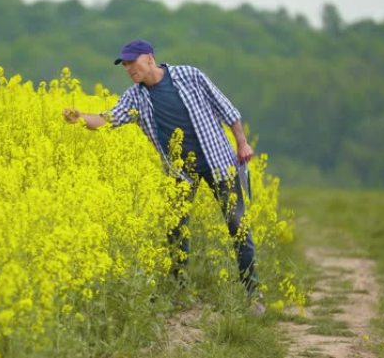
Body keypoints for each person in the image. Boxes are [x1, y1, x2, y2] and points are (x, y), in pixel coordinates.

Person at [62, 39, 263, 313]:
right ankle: (179, 291)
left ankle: (253, 295)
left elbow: (226, 108)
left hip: (218, 161)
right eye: (125, 65)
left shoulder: (189, 75)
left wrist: (242, 143)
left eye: (132, 62)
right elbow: (107, 118)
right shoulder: (135, 97)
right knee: (175, 229)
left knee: (237, 225)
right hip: (180, 172)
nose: (128, 68)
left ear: (149, 58)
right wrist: (80, 118)